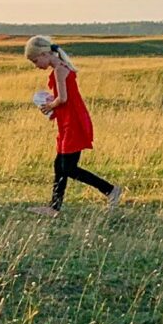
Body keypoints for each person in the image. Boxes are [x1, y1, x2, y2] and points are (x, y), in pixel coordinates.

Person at [24, 35, 123, 215]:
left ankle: (110, 190)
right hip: (68, 121)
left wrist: (49, 106)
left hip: (73, 122)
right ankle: (54, 207)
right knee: (59, 165)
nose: (36, 65)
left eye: (36, 60)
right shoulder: (61, 68)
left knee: (68, 167)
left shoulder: (59, 70)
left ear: (45, 54)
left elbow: (63, 98)